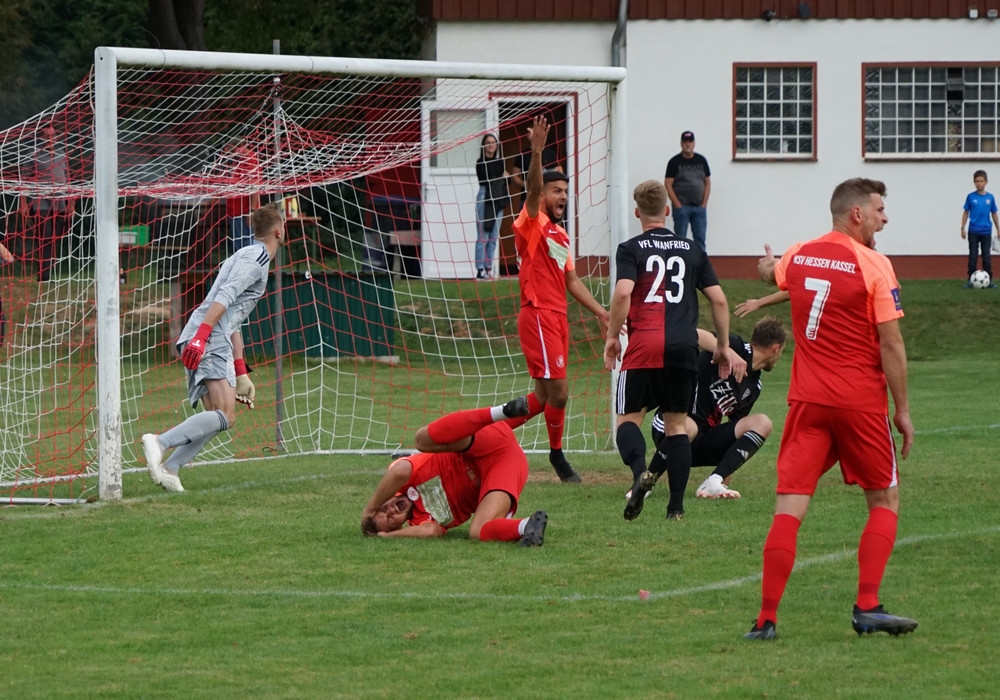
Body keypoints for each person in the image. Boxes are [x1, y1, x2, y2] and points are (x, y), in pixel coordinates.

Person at [745, 178, 917, 641]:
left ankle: (765, 620)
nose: (885, 218)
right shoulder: (875, 265)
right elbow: (891, 345)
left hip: (808, 402)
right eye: (880, 210)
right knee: (884, 501)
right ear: (856, 214)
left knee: (788, 508)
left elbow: (772, 271)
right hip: (859, 404)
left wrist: (766, 265)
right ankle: (867, 606)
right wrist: (902, 409)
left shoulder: (801, 254)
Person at [604, 179, 732, 522]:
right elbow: (719, 300)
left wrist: (613, 337)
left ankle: (639, 474)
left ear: (637, 213)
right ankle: (675, 508)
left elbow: (623, 293)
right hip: (684, 347)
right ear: (667, 210)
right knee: (676, 426)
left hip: (644, 344)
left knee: (628, 420)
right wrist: (722, 345)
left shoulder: (630, 248)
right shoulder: (692, 249)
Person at [141, 203, 285, 492]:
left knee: (219, 418)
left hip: (212, 335)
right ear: (280, 231)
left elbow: (234, 317)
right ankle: (159, 442)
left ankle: (171, 469)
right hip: (209, 336)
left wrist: (240, 369)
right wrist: (202, 336)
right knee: (224, 414)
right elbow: (225, 297)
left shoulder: (250, 255)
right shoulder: (256, 258)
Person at [510, 115, 610, 483]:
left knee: (541, 398)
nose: (563, 196)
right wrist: (536, 152)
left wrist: (601, 313)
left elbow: (572, 281)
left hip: (557, 317)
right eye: (556, 190)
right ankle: (557, 456)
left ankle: (485, 430)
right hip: (537, 315)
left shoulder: (561, 235)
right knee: (561, 394)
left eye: (566, 191)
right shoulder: (531, 222)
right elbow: (532, 191)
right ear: (542, 195)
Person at [360, 397, 548, 546]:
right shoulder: (419, 522)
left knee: (421, 439)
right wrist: (389, 537)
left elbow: (400, 471)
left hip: (480, 443)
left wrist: (369, 509)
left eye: (383, 508)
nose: (391, 510)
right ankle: (527, 526)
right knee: (477, 531)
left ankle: (501, 411)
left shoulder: (402, 479)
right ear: (398, 527)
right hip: (504, 467)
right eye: (390, 519)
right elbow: (431, 531)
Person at [647, 317, 787, 504]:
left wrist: (722, 479)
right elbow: (694, 334)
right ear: (776, 348)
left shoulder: (754, 386)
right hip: (670, 426)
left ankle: (713, 482)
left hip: (700, 442)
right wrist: (726, 352)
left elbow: (734, 434)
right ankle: (645, 482)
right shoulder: (736, 346)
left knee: (762, 422)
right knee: (689, 427)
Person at [19, 126, 75, 282]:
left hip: (60, 203)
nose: (51, 139)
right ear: (41, 138)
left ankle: (50, 267)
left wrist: (71, 202)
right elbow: (24, 180)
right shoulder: (33, 155)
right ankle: (44, 276)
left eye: (53, 135)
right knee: (46, 237)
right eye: (47, 136)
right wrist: (23, 203)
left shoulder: (62, 155)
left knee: (56, 236)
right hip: (40, 202)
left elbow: (68, 179)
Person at [664, 131, 711, 252]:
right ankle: (680, 262)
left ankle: (700, 263)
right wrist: (677, 204)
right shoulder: (674, 162)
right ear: (681, 144)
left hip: (699, 208)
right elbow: (668, 184)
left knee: (700, 240)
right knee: (680, 241)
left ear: (694, 143)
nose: (688, 144)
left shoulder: (701, 160)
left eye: (690, 141)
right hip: (682, 209)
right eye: (685, 141)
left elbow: (707, 182)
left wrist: (704, 204)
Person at [475, 133, 509, 280]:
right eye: (488, 142)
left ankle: (489, 267)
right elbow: (486, 178)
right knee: (483, 234)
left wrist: (503, 178)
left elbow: (506, 181)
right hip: (485, 197)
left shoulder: (500, 161)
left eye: (493, 142)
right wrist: (501, 177)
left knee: (494, 236)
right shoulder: (480, 162)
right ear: (484, 145)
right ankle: (480, 269)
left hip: (498, 197)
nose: (490, 145)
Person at [960, 169, 999, 288]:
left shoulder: (990, 197)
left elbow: (994, 213)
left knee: (986, 256)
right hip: (973, 231)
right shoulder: (971, 197)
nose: (979, 183)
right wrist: (962, 227)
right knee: (973, 256)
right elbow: (966, 212)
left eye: (981, 181)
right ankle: (971, 280)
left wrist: (998, 228)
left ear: (986, 182)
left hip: (986, 232)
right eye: (977, 181)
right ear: (974, 182)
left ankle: (989, 280)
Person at [223, 140, 262, 253]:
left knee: (247, 249)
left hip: (244, 214)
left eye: (228, 149)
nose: (226, 152)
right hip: (234, 213)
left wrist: (251, 211)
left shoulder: (250, 160)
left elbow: (255, 187)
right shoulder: (235, 160)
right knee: (238, 250)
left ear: (238, 146)